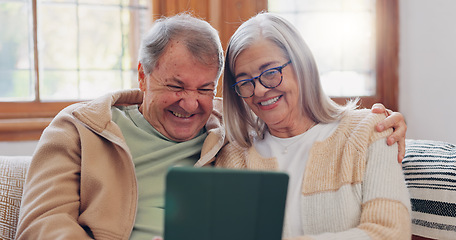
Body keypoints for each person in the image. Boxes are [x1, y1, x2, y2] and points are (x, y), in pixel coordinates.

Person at [16, 13, 406, 240]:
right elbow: (41, 225)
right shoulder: (80, 128)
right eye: (175, 85)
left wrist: (381, 125)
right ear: (143, 76)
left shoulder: (226, 138)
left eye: (205, 88)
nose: (190, 103)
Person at [217, 12, 411, 239]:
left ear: (302, 65)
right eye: (245, 82)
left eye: (270, 73)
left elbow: (391, 232)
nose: (259, 90)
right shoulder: (234, 158)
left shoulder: (371, 130)